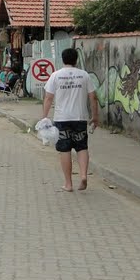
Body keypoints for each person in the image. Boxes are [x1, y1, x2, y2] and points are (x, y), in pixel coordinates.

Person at [41, 48, 100, 191]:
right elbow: (93, 97)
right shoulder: (84, 75)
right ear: (76, 60)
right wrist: (95, 116)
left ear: (62, 59)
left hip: (62, 119)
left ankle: (68, 183)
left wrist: (44, 117)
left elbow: (48, 98)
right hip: (80, 118)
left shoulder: (55, 76)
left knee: (65, 150)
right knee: (82, 147)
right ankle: (83, 176)